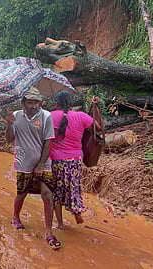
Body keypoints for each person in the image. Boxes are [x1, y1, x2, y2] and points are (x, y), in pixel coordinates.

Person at [5, 87, 61, 250]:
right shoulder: (15, 116)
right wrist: (9, 125)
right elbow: (9, 139)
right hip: (23, 162)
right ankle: (16, 217)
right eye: (30, 102)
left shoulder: (46, 116)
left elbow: (48, 141)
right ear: (23, 103)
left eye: (36, 102)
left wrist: (41, 164)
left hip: (43, 162)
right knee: (21, 193)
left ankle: (49, 232)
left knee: (47, 194)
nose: (34, 106)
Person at [49, 90, 102, 229]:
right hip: (75, 159)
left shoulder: (50, 116)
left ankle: (60, 224)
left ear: (56, 103)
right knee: (74, 187)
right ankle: (76, 211)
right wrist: (95, 108)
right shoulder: (82, 117)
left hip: (56, 160)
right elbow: (98, 128)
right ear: (71, 102)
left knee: (57, 191)